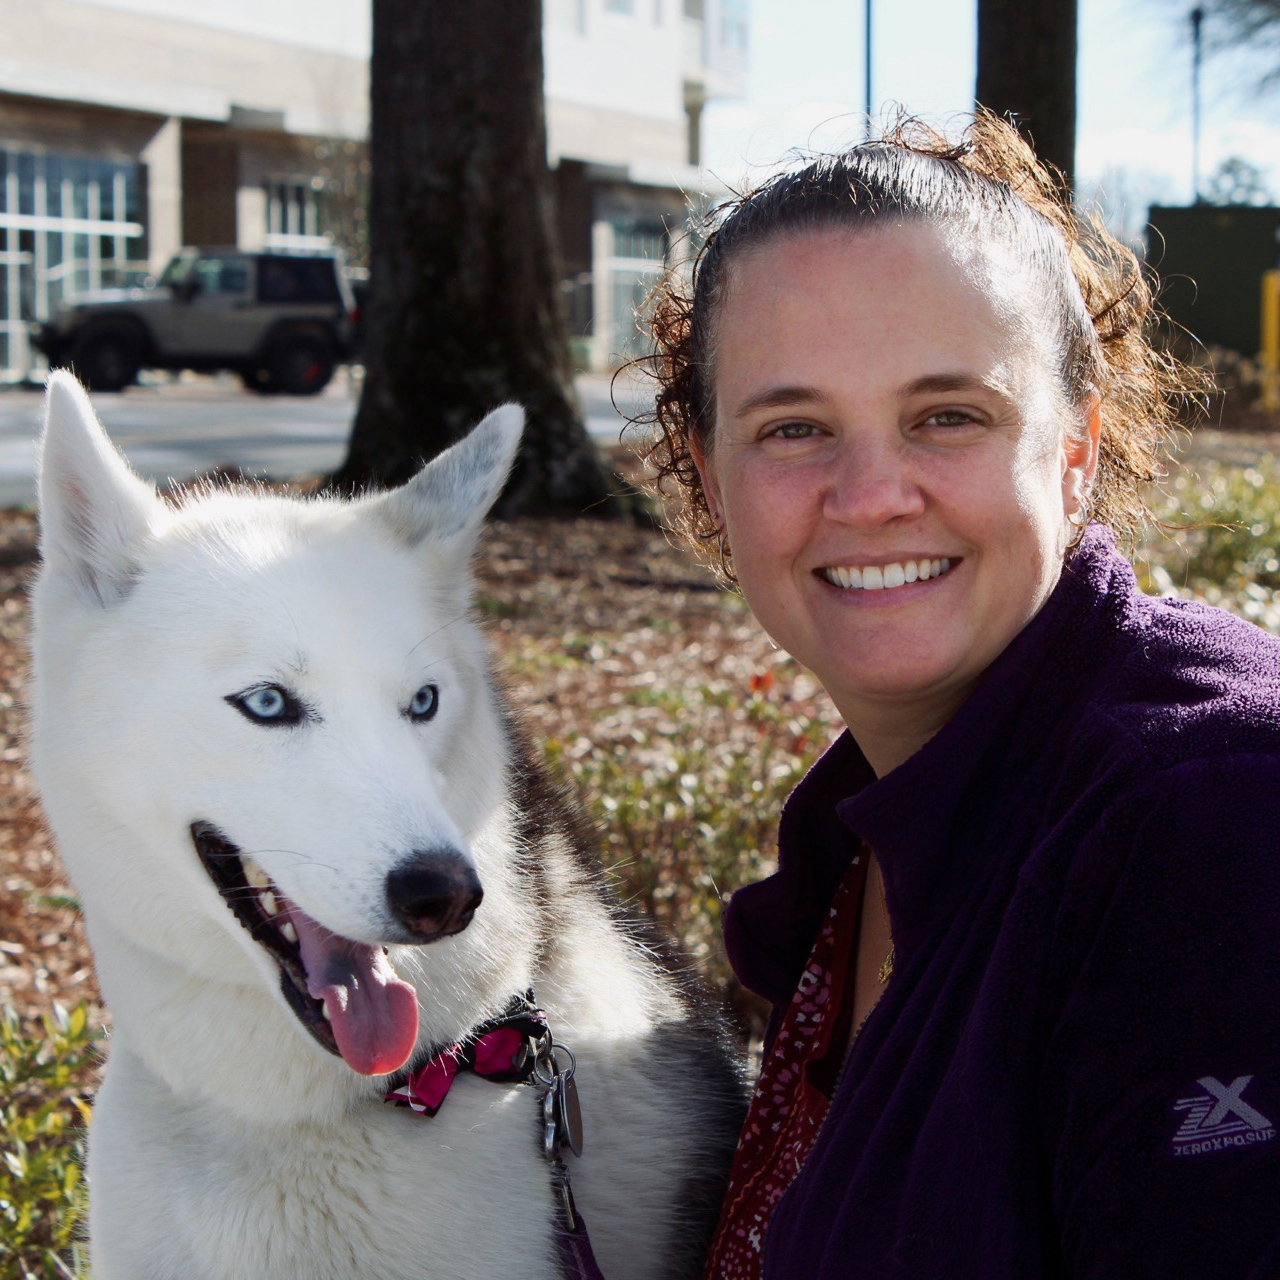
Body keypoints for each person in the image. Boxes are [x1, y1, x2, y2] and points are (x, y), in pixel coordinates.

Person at [639, 113, 1280, 1279]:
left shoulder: (1207, 818)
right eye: (794, 428)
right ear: (703, 465)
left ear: (1075, 445)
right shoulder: (867, 841)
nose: (870, 493)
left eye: (947, 415)